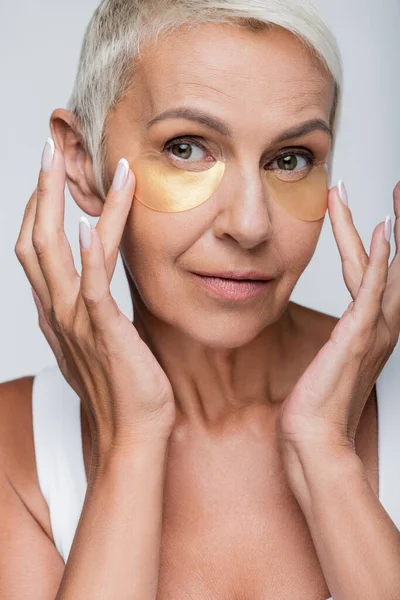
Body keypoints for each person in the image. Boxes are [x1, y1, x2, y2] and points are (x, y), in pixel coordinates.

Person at [1, 0, 400, 598]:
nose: (249, 223)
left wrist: (326, 455)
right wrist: (128, 445)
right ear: (81, 163)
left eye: (290, 160)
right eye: (187, 148)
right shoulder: (14, 451)